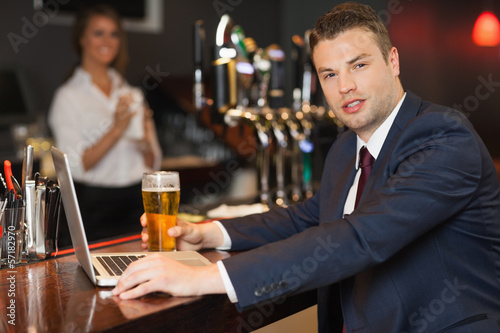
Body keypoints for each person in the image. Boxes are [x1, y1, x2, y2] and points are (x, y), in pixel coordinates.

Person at [112, 3, 500, 332]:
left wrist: (204, 278)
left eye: (359, 65)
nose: (344, 86)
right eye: (330, 74)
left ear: (393, 61)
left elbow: (360, 237)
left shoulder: (444, 137)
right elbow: (308, 218)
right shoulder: (348, 145)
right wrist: (209, 234)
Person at [48, 3, 162, 242]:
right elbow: (76, 167)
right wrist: (117, 129)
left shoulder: (132, 94)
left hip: (137, 202)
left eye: (114, 34)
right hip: (95, 208)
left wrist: (144, 137)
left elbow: (153, 162)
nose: (107, 41)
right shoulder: (68, 97)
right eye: (98, 32)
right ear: (81, 38)